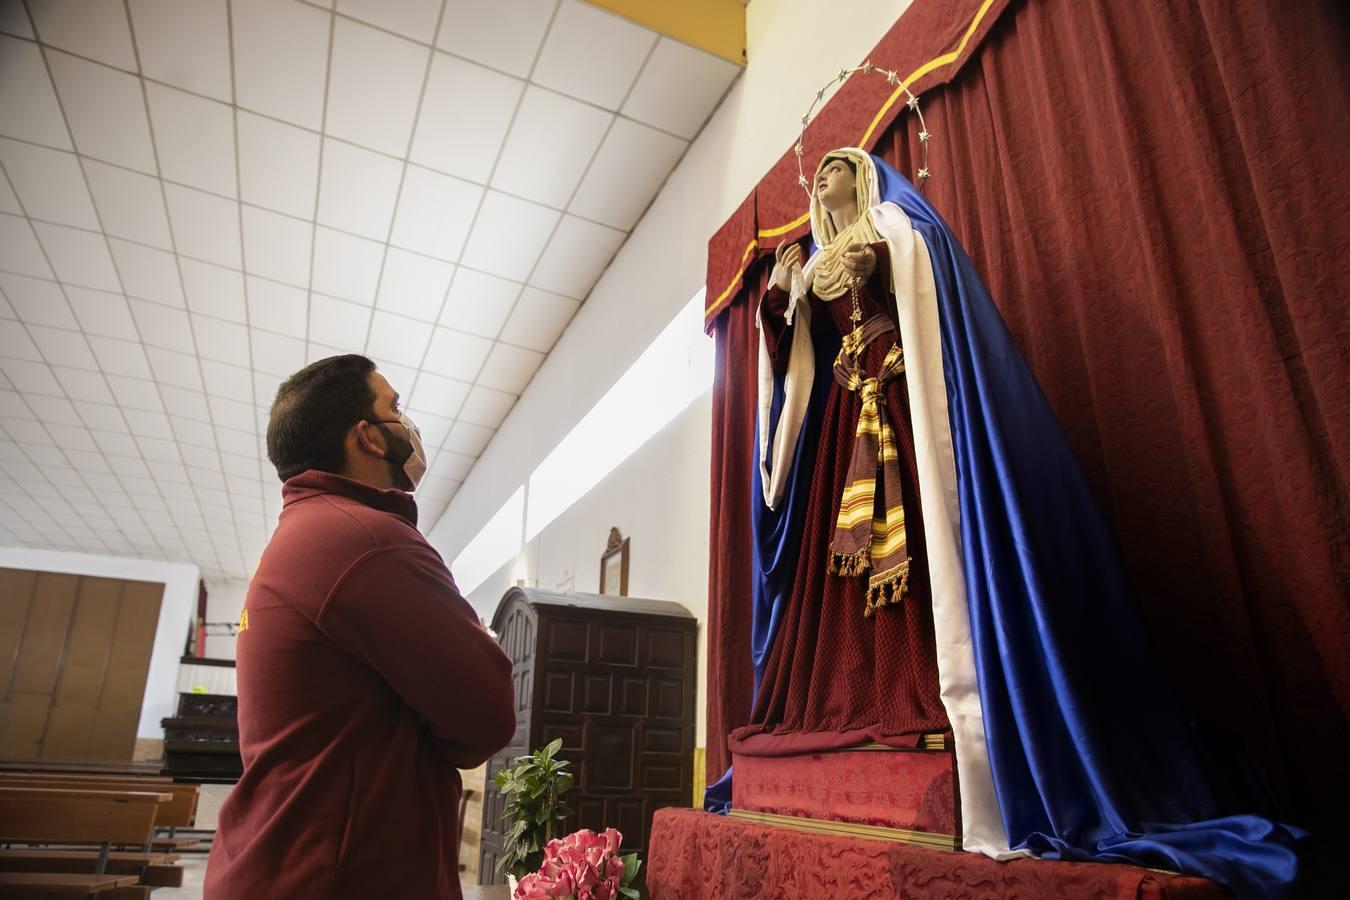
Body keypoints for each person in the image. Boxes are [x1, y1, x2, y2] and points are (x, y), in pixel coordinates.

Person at [205, 354, 516, 900]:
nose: (408, 424)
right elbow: (488, 713)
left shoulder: (305, 533)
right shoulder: (366, 540)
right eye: (394, 407)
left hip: (292, 860)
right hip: (336, 875)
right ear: (368, 438)